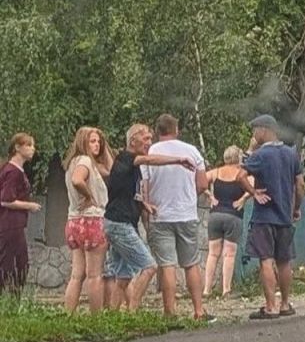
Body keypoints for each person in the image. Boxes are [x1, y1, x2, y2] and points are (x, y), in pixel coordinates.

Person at [103, 123, 195, 311]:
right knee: (150, 266)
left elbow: (122, 191)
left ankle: (111, 316)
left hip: (121, 221)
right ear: (133, 140)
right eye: (146, 139)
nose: (149, 143)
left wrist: (144, 204)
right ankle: (133, 312)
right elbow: (150, 160)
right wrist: (177, 160)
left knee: (124, 276)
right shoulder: (127, 158)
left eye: (150, 139)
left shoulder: (128, 165)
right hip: (119, 224)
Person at [141, 114, 212, 321]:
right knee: (191, 263)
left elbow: (145, 187)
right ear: (176, 129)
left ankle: (170, 313)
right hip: (186, 214)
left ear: (157, 131)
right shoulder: (191, 151)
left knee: (167, 264)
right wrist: (189, 197)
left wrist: (147, 212)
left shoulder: (150, 153)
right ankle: (199, 310)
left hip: (160, 215)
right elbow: (203, 184)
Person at [236, 114, 305, 320]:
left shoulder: (261, 155)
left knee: (266, 259)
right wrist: (296, 208)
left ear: (264, 130)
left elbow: (240, 175)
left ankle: (270, 306)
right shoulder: (291, 154)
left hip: (264, 217)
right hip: (285, 216)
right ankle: (284, 304)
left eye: (254, 130)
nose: (253, 135)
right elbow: (300, 185)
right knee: (284, 261)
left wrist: (254, 192)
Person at [63, 127, 113, 313]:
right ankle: (95, 317)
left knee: (77, 275)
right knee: (94, 275)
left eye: (98, 141)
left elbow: (109, 169)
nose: (97, 145)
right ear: (83, 142)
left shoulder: (73, 162)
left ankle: (69, 314)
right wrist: (89, 196)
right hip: (92, 220)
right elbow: (78, 180)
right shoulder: (84, 161)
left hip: (74, 221)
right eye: (92, 141)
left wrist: (104, 143)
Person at [203, 146, 249, 299]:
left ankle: (206, 290)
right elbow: (255, 185)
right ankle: (226, 289)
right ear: (239, 158)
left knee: (212, 253)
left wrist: (210, 196)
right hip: (233, 216)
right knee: (229, 254)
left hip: (215, 215)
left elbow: (199, 180)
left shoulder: (215, 172)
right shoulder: (242, 174)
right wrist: (243, 199)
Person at [0, 133, 41, 296]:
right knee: (16, 264)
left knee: (14, 263)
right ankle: (10, 301)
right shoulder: (13, 172)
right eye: (28, 145)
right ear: (17, 147)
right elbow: (5, 200)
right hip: (10, 224)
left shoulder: (13, 170)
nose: (32, 149)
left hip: (13, 224)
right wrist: (29, 205)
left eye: (33, 145)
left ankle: (10, 300)